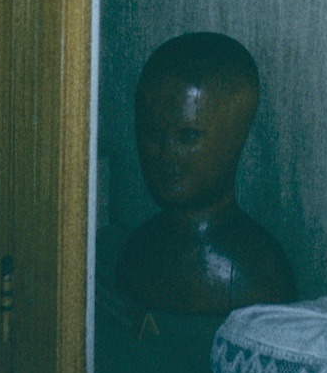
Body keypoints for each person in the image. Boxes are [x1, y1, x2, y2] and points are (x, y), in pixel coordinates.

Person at [116, 32, 296, 314]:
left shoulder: (257, 275)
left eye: (187, 137)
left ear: (236, 138)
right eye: (151, 134)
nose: (165, 154)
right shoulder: (137, 251)